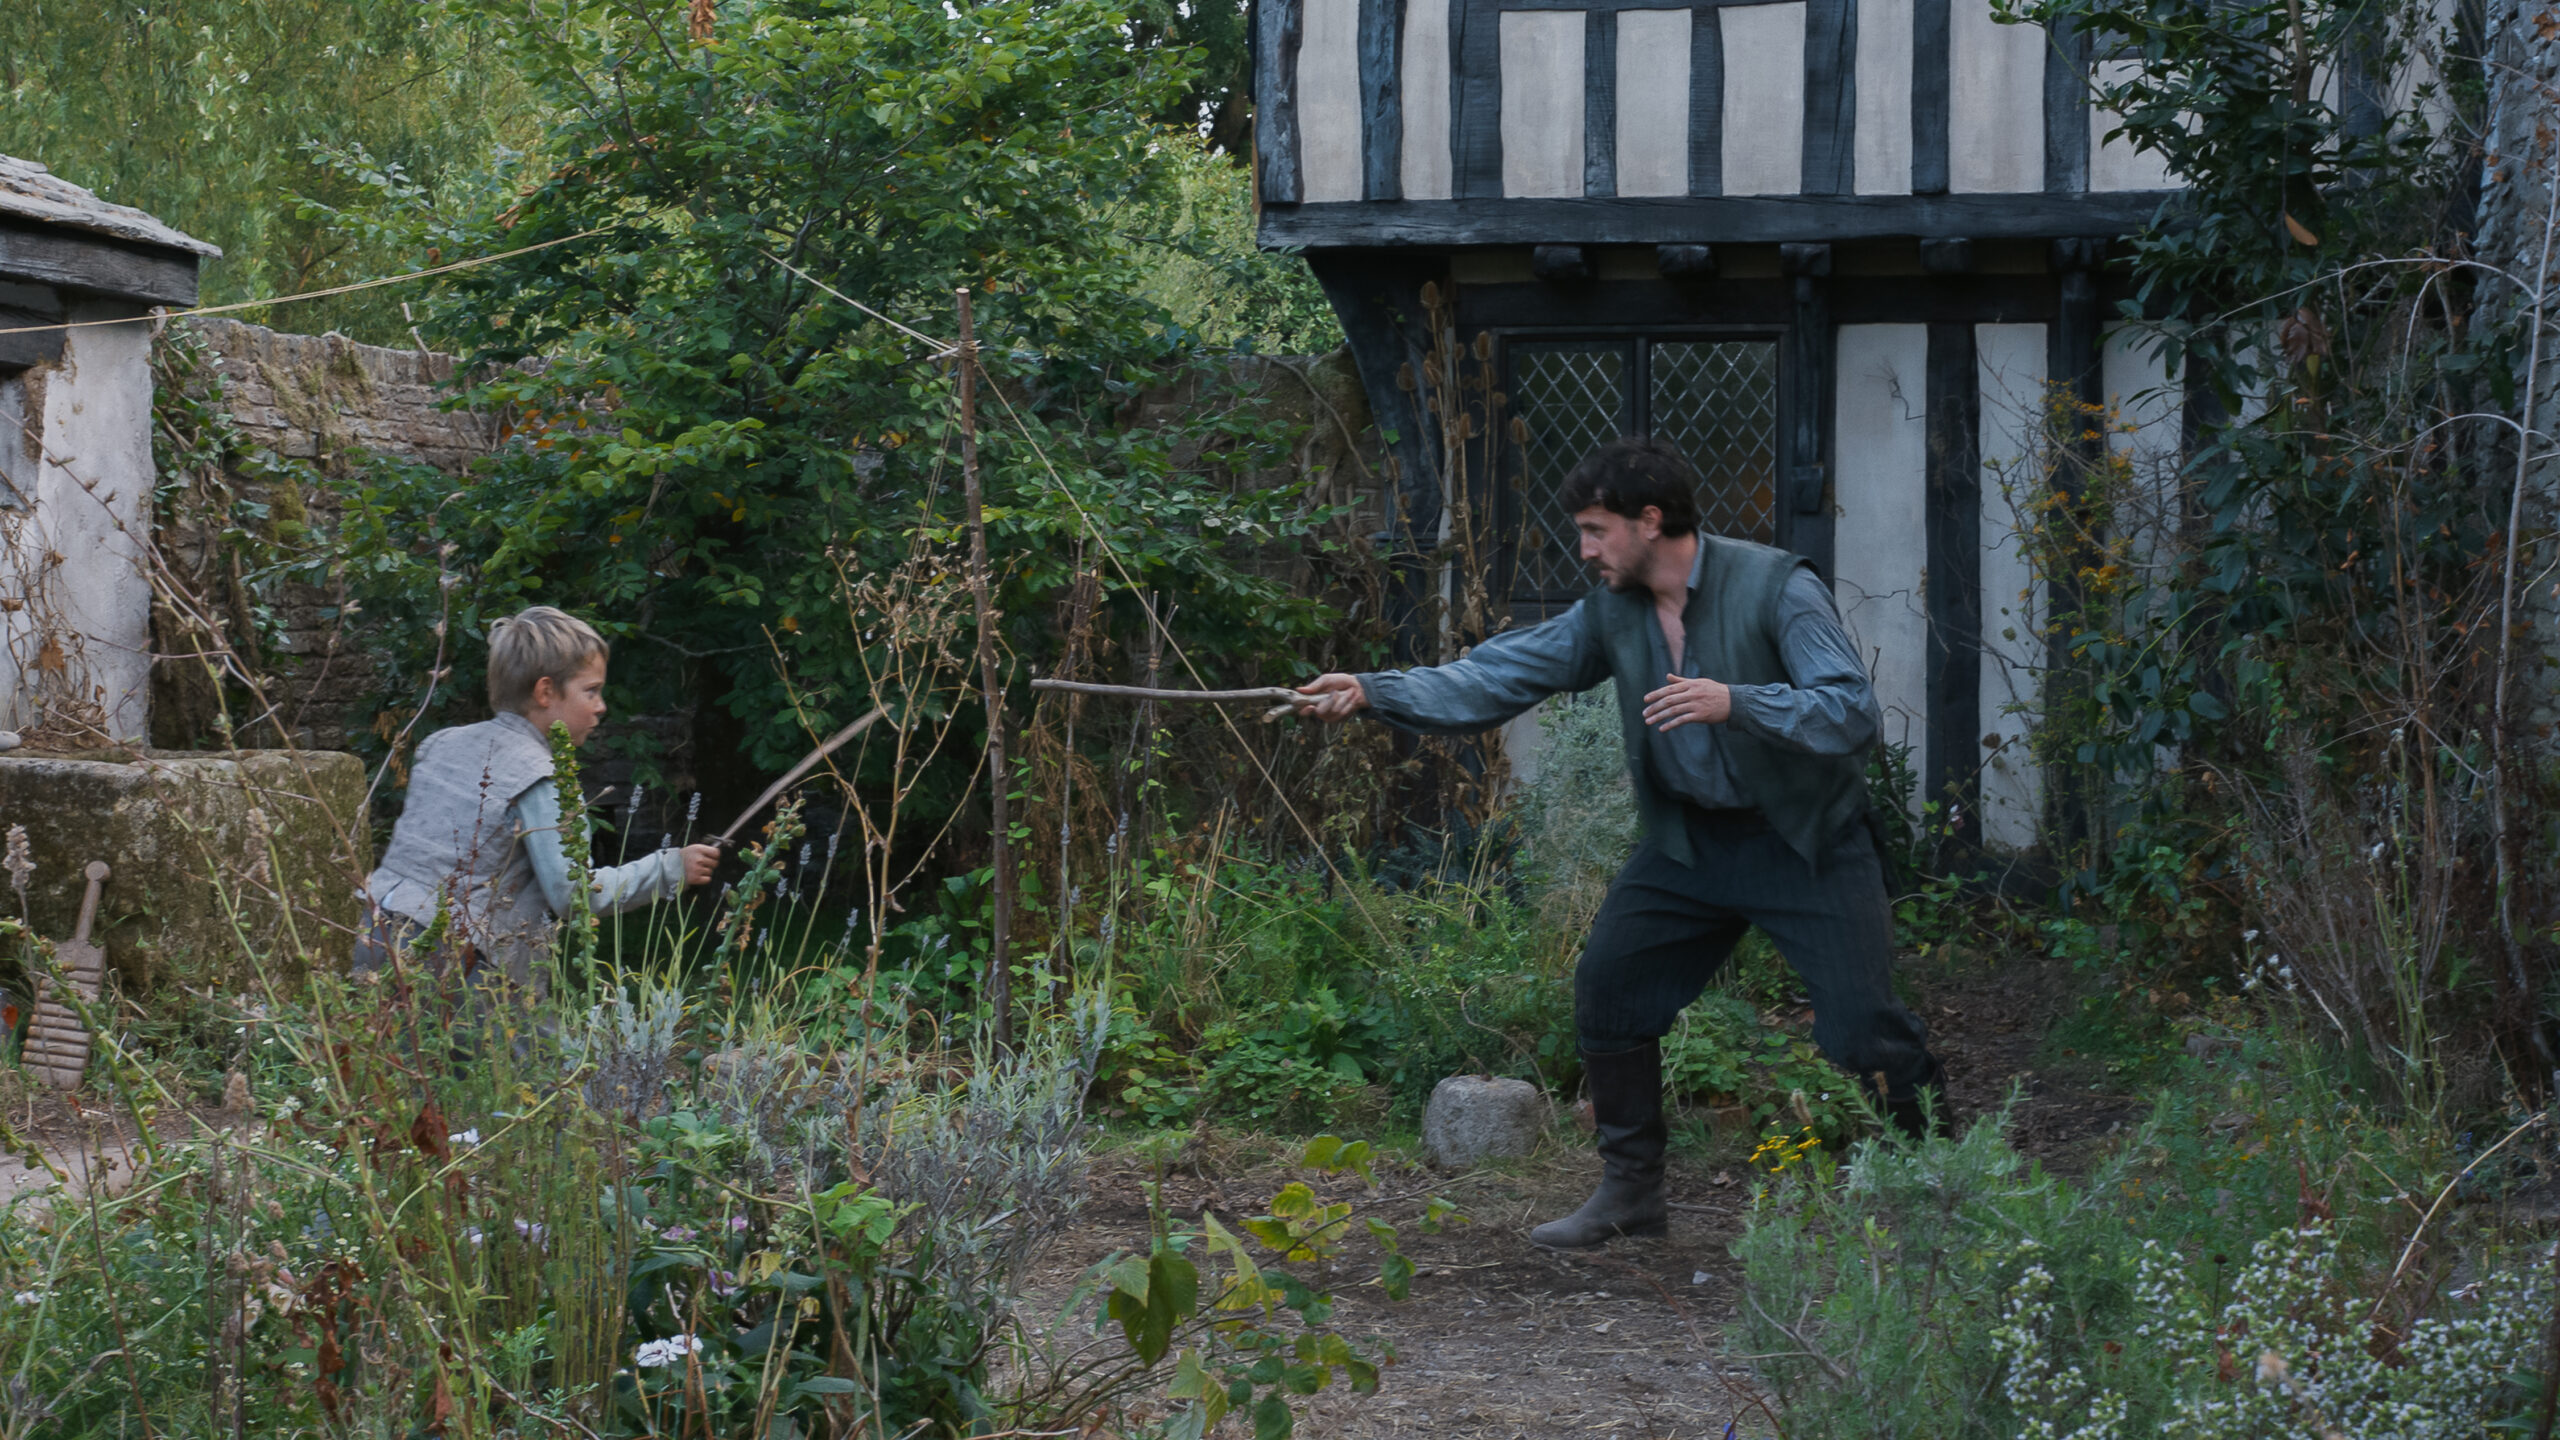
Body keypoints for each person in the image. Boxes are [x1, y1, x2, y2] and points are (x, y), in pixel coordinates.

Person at [1294, 437, 1949, 1249]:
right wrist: (1373, 689)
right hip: (1688, 844)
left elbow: (1850, 709)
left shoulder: (1776, 586)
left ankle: (1938, 1187)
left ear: (1651, 521)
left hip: (1804, 840)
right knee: (1609, 993)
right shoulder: (1613, 609)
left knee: (1862, 1032)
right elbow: (1501, 672)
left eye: (1596, 531)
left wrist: (1738, 701)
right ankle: (1631, 1194)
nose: (1585, 550)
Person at [359, 606, 720, 987]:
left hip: (375, 936)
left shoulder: (440, 744)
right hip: (457, 963)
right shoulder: (539, 776)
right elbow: (575, 895)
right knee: (522, 1030)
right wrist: (670, 869)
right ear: (546, 691)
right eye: (591, 691)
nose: (601, 706)